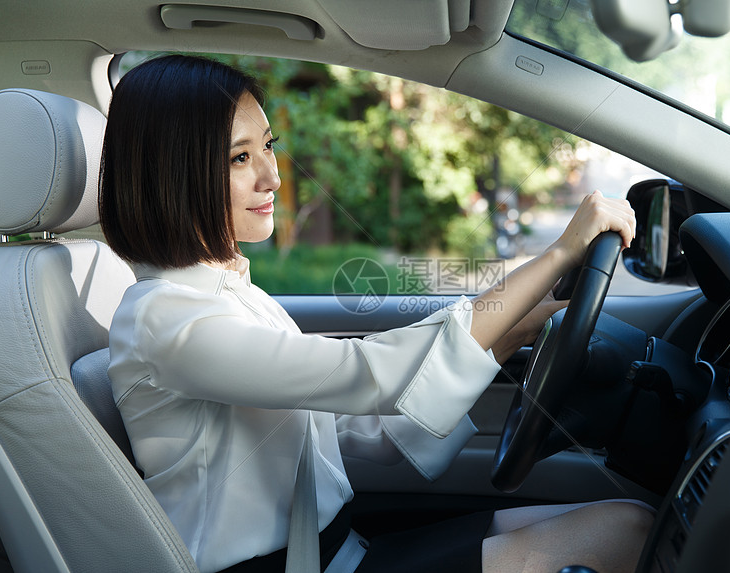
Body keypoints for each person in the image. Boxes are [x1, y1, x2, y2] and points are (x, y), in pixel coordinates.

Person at [99, 54, 651, 573]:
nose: (272, 175)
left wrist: (509, 335)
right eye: (241, 157)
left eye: (268, 146)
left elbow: (361, 433)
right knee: (625, 531)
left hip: (333, 548)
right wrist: (555, 256)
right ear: (174, 175)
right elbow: (370, 374)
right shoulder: (165, 319)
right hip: (287, 565)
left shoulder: (231, 297)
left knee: (629, 525)